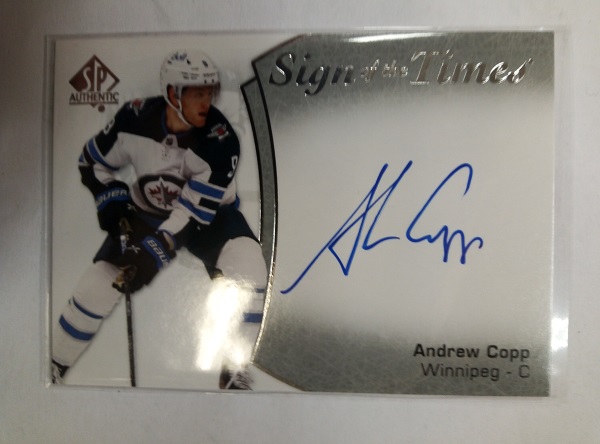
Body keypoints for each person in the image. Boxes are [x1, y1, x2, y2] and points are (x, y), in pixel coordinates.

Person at [51, 50, 267, 390]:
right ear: (172, 94)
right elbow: (92, 162)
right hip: (148, 213)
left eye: (209, 92)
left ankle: (235, 371)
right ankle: (53, 364)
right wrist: (112, 200)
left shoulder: (221, 140)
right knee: (97, 285)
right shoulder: (134, 118)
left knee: (249, 266)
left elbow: (192, 214)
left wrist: (151, 252)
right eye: (197, 93)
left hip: (210, 217)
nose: (206, 102)